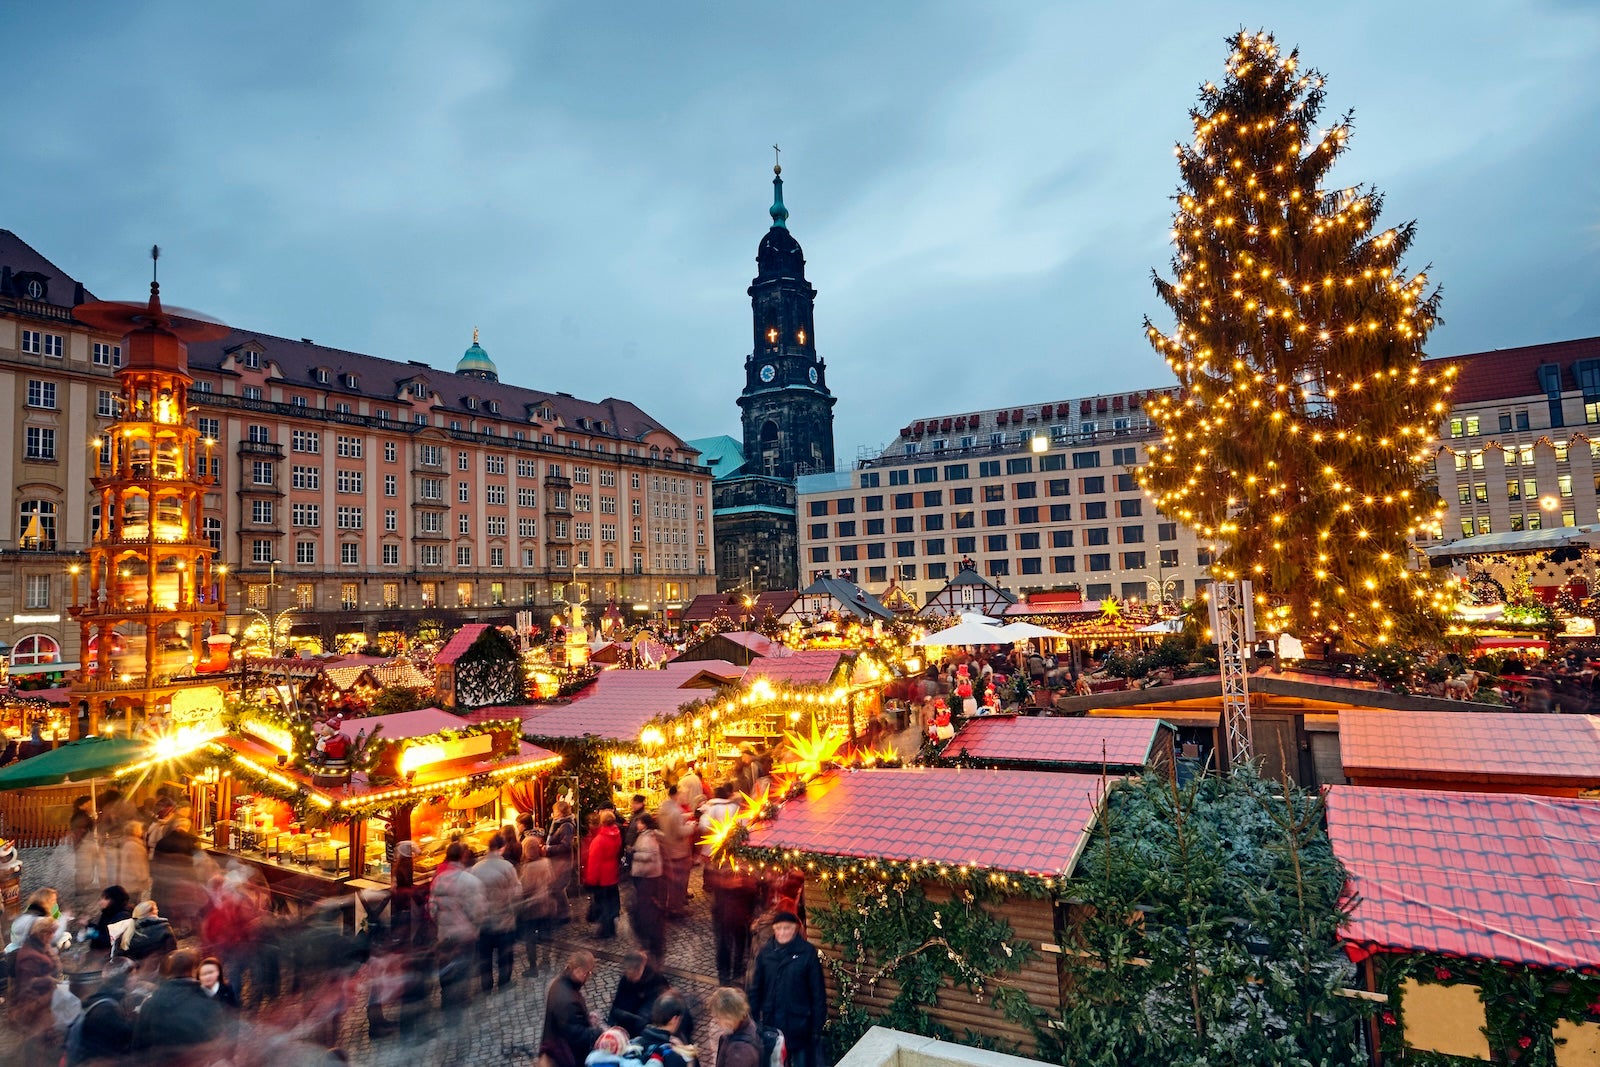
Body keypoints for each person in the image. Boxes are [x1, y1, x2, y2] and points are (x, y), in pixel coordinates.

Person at [748, 911, 827, 1067]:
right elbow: (756, 989)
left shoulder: (807, 953)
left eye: (787, 928)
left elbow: (818, 992)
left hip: (799, 1024)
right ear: (774, 929)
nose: (783, 932)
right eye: (779, 928)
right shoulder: (765, 953)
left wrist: (816, 1027)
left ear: (795, 929)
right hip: (773, 1024)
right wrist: (754, 1019)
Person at [132, 949, 227, 1052]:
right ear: (194, 970)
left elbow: (139, 1045)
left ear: (169, 972)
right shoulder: (209, 1000)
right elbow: (219, 1040)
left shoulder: (150, 1003)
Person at [429, 840, 486, 1009]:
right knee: (463, 967)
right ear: (463, 856)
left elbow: (432, 908)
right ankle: (461, 999)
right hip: (465, 934)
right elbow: (478, 910)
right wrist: (475, 926)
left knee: (445, 967)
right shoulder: (470, 881)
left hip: (445, 934)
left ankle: (446, 1000)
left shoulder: (438, 879)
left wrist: (441, 924)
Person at [469, 833, 521, 992]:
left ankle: (486, 985)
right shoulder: (507, 867)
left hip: (484, 920)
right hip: (504, 918)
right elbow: (517, 892)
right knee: (505, 954)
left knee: (485, 956)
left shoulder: (476, 868)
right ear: (502, 847)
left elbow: (472, 894)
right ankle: (504, 983)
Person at [539, 950, 603, 1067]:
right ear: (578, 971)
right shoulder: (568, 1000)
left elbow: (570, 1020)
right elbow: (576, 1035)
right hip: (564, 1056)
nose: (588, 976)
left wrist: (586, 1019)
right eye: (588, 973)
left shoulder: (559, 983)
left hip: (556, 1047)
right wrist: (599, 1032)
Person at [66, 957, 135, 1065]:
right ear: (126, 979)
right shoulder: (107, 1009)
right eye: (133, 975)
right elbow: (124, 1040)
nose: (137, 979)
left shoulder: (97, 1001)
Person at [518, 834, 558, 976]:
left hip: (532, 908)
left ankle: (533, 967)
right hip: (546, 905)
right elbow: (552, 880)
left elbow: (525, 888)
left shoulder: (528, 868)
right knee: (546, 934)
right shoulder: (546, 862)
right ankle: (546, 961)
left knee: (530, 939)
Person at [628, 813, 667, 960]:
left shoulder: (649, 837)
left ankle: (650, 939)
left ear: (645, 824)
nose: (637, 825)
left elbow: (650, 855)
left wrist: (634, 853)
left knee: (645, 905)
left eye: (639, 822)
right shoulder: (645, 835)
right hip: (646, 875)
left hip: (647, 875)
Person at [608, 949, 668, 1036]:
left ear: (641, 969)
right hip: (627, 1025)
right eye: (627, 974)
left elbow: (651, 1011)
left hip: (644, 1028)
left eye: (633, 975)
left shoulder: (655, 980)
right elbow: (617, 1003)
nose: (630, 978)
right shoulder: (625, 979)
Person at [585, 810, 623, 939]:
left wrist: (590, 880)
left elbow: (594, 862)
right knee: (610, 903)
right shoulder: (616, 834)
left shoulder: (599, 840)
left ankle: (605, 931)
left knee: (602, 903)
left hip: (602, 876)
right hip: (612, 873)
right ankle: (611, 928)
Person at [657, 785, 694, 917]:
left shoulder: (663, 809)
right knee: (678, 882)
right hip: (678, 850)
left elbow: (671, 823)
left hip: (667, 848)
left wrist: (686, 816)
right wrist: (691, 826)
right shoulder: (675, 811)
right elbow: (679, 831)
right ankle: (675, 909)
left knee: (669, 881)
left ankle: (667, 905)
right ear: (676, 795)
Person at [709, 986, 764, 1067]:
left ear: (729, 1017)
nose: (717, 1022)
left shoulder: (739, 1052)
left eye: (718, 1017)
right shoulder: (748, 1022)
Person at [546, 799, 578, 913]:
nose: (553, 813)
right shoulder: (558, 823)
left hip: (562, 861)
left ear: (560, 812)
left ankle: (564, 913)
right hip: (558, 860)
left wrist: (549, 848)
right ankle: (561, 911)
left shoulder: (566, 826)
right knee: (557, 887)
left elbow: (566, 846)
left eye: (554, 811)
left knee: (558, 887)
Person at [84, 885, 132, 952]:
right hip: (99, 954)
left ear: (115, 900)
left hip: (110, 957)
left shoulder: (122, 916)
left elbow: (110, 940)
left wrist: (92, 933)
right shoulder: (108, 913)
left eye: (106, 898)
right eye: (101, 898)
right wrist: (88, 924)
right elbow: (103, 930)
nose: (101, 902)